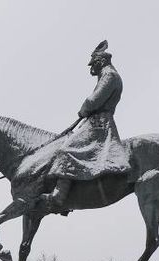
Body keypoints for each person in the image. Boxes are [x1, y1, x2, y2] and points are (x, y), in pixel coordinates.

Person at [23, 40, 130, 212]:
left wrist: (83, 110)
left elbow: (93, 100)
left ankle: (60, 195)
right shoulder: (107, 74)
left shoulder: (109, 75)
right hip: (95, 122)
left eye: (93, 64)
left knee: (66, 149)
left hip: (99, 125)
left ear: (101, 61)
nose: (91, 68)